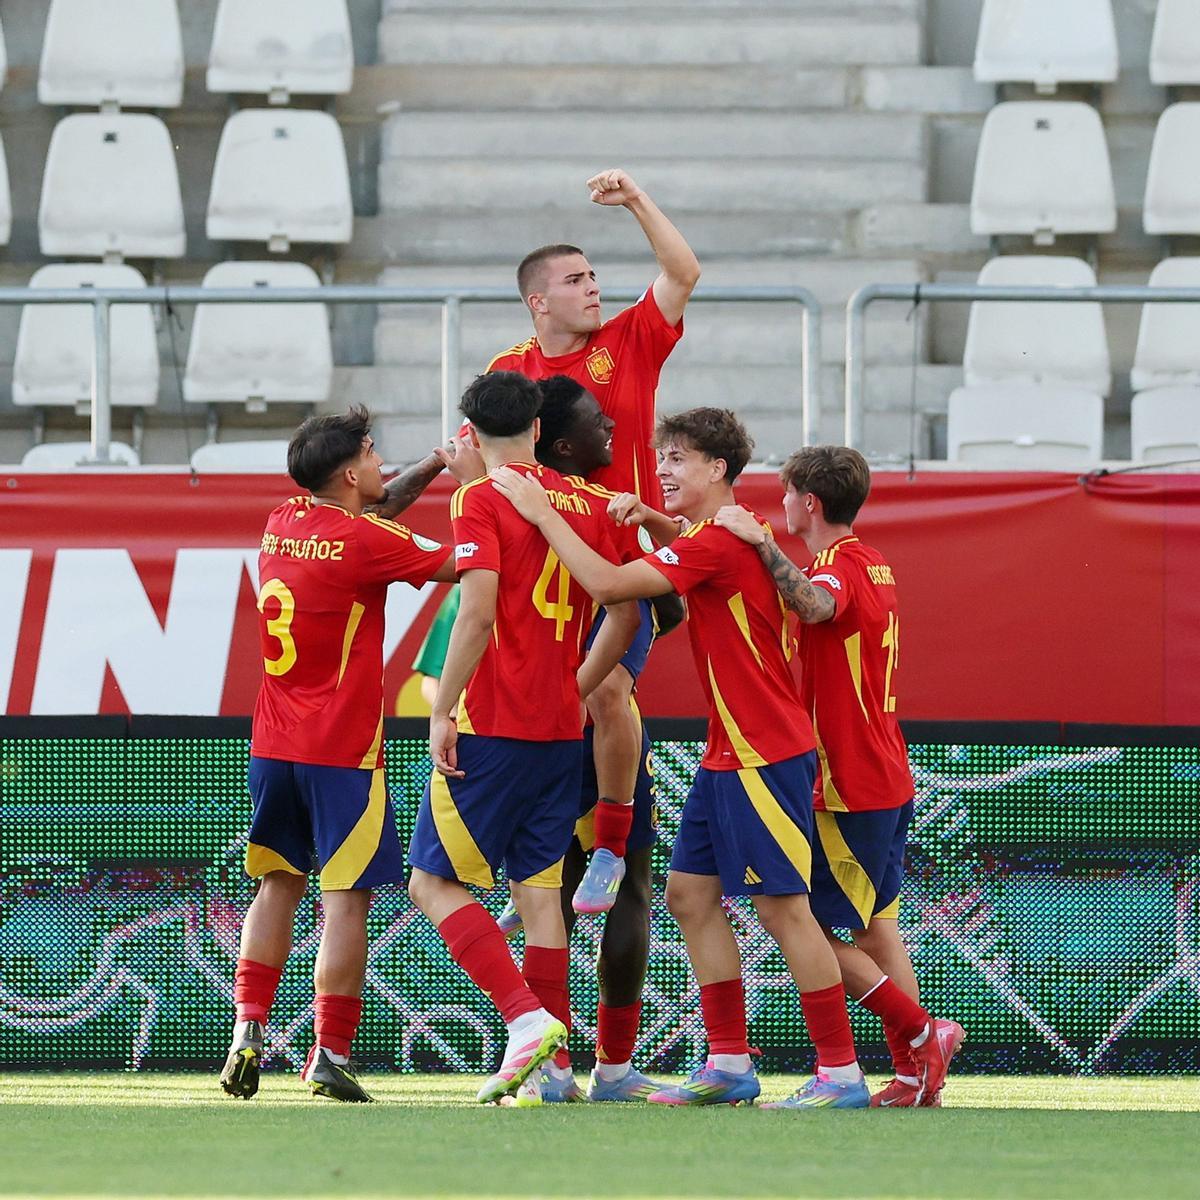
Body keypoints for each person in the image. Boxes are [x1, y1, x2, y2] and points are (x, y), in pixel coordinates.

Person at [491, 409, 960, 1109]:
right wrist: (651, 514)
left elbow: (612, 587)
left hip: (763, 752)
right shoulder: (729, 536)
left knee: (786, 911)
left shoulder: (722, 541)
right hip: (728, 754)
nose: (666, 469)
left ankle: (842, 1073)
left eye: (678, 458)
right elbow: (695, 548)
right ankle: (732, 1063)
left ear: (718, 470)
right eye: (663, 458)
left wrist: (541, 513)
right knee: (687, 896)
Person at [406, 372, 641, 1105]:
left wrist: (442, 709)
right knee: (540, 894)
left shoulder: (479, 496)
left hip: (494, 724)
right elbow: (627, 612)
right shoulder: (595, 504)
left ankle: (525, 1019)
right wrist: (576, 685)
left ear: (469, 434)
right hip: (556, 727)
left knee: (431, 881)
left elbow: (475, 613)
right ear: (539, 429)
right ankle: (559, 1073)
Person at [220, 406, 458, 1103]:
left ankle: (247, 1029)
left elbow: (372, 516)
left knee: (277, 886)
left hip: (274, 748)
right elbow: (460, 563)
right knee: (344, 899)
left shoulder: (282, 521)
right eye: (374, 452)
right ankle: (329, 1051)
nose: (384, 462)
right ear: (351, 472)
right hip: (344, 753)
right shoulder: (365, 542)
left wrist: (436, 465)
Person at [713, 446, 964, 1107]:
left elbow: (816, 607)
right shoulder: (873, 560)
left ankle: (921, 1036)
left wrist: (761, 547)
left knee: (807, 928)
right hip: (885, 771)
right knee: (880, 932)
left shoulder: (837, 565)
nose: (781, 505)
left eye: (788, 494)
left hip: (847, 781)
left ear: (811, 503)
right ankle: (915, 1076)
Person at [485, 169, 700, 919]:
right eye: (576, 280)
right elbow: (488, 464)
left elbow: (683, 272)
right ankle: (536, 859)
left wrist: (637, 199)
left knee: (604, 689)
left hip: (621, 561)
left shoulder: (630, 342)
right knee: (542, 704)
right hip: (543, 568)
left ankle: (608, 849)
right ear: (538, 300)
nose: (593, 288)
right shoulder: (508, 369)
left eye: (595, 275)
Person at [495, 375, 683, 1102]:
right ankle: (581, 1066)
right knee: (576, 895)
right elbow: (665, 606)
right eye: (598, 423)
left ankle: (591, 1066)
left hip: (556, 716)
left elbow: (662, 604)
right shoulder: (578, 504)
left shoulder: (511, 494)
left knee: (572, 892)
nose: (614, 428)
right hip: (548, 723)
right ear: (558, 440)